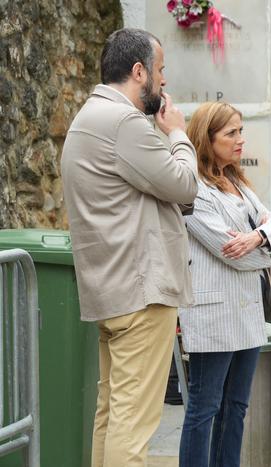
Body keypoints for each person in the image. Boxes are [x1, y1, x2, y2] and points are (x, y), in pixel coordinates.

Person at [61, 28, 198, 467]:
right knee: (134, 425)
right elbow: (184, 184)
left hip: (111, 289)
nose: (163, 82)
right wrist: (178, 134)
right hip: (141, 292)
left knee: (112, 415)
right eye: (160, 71)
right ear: (138, 72)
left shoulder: (88, 116)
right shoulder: (123, 122)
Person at [177, 102, 271, 467]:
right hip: (214, 313)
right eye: (231, 133)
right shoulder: (192, 187)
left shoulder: (237, 180)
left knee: (236, 405)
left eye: (241, 131)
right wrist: (264, 245)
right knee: (205, 407)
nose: (241, 140)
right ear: (207, 139)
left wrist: (257, 239)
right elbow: (228, 251)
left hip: (246, 311)